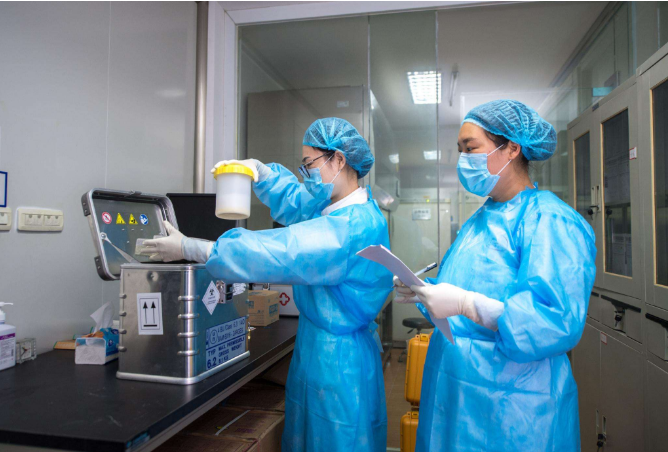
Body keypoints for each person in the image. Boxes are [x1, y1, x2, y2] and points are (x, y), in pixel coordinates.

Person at [145, 118, 393, 452]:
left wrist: (193, 248)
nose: (307, 175)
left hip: (340, 363)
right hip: (319, 347)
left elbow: (283, 251)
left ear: (338, 159)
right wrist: (262, 174)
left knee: (337, 441)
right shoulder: (334, 208)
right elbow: (298, 202)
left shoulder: (354, 226)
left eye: (309, 164)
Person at [394, 100, 596, 451]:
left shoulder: (550, 219)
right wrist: (426, 291)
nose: (463, 159)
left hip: (513, 406)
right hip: (455, 392)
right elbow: (469, 286)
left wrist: (466, 303)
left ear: (512, 148)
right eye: (460, 150)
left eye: (470, 148)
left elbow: (554, 321)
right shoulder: (480, 220)